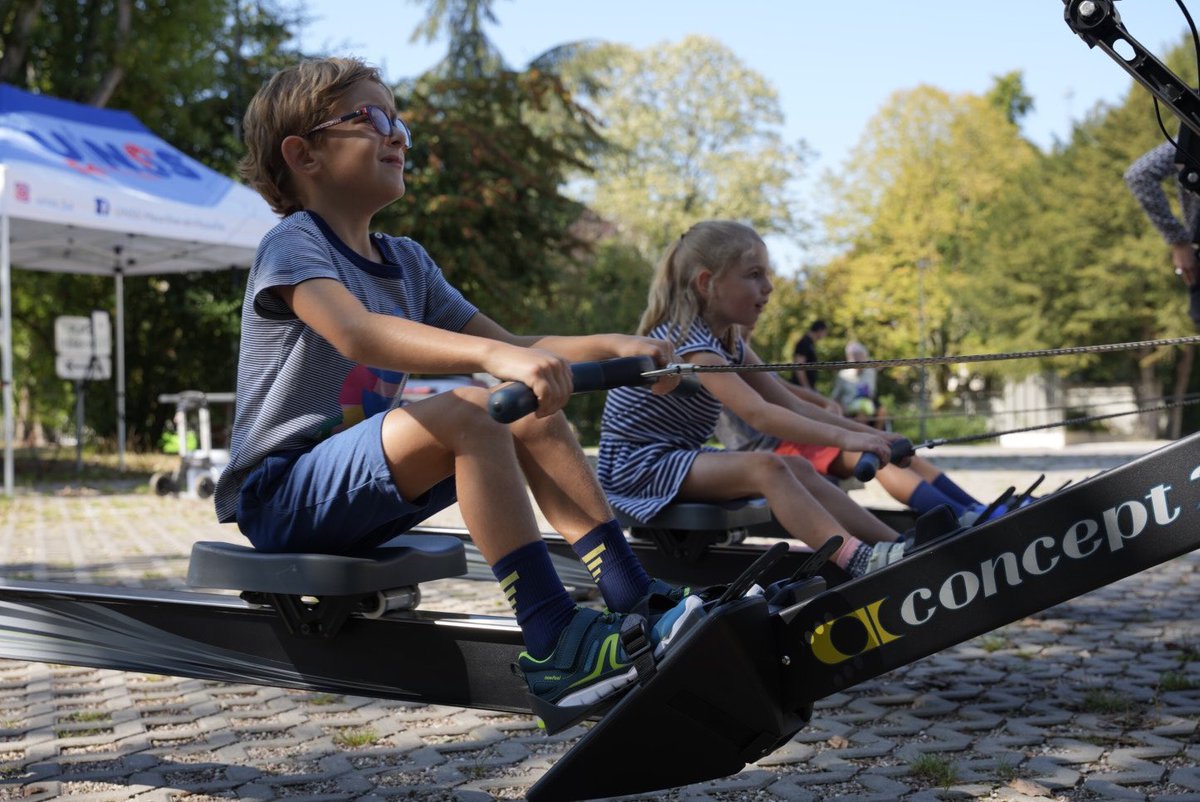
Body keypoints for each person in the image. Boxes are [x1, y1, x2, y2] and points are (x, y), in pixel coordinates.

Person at [214, 56, 699, 712]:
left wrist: (617, 345)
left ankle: (632, 594)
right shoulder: (295, 243)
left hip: (360, 490)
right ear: (304, 155)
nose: (396, 134)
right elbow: (357, 333)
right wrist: (498, 359)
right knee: (474, 408)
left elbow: (517, 348)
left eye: (399, 121)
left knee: (526, 404)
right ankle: (555, 642)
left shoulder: (407, 262)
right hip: (281, 496)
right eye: (370, 118)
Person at [597, 220, 913, 579]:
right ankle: (858, 561)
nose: (769, 286)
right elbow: (759, 414)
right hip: (637, 466)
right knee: (768, 467)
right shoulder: (689, 344)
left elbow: (791, 404)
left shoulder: (729, 341)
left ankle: (904, 545)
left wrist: (872, 435)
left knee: (798, 467)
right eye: (754, 274)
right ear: (707, 283)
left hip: (672, 455)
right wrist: (849, 439)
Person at [1124, 137, 1200, 328]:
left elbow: (1139, 175)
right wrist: (1178, 240)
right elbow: (1139, 175)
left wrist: (1179, 240)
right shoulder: (1192, 134)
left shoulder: (1191, 135)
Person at [829, 341, 887, 429]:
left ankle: (879, 434)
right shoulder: (843, 375)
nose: (857, 359)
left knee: (882, 411)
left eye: (859, 356)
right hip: (848, 408)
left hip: (868, 405)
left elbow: (880, 365)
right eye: (854, 357)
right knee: (861, 415)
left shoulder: (870, 371)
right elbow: (835, 397)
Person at [790, 319, 828, 389]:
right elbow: (799, 366)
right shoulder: (804, 343)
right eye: (825, 332)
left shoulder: (809, 343)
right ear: (820, 330)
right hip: (800, 387)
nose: (825, 335)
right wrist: (806, 387)